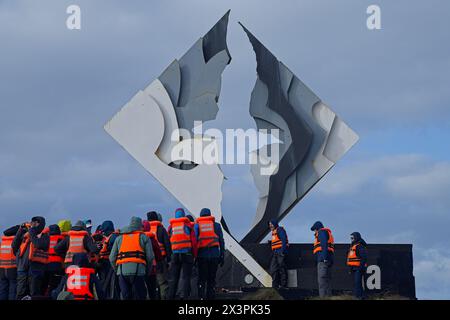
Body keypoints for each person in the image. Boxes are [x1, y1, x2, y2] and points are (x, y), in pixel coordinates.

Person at [109, 216, 154, 300]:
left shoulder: (119, 238)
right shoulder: (144, 238)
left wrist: (117, 270)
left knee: (126, 296)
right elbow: (150, 257)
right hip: (139, 272)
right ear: (140, 226)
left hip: (122, 273)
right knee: (140, 296)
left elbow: (111, 258)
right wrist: (147, 271)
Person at [11, 216, 49, 299]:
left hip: (36, 269)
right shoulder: (25, 235)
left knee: (34, 294)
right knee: (20, 294)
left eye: (36, 222)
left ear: (41, 224)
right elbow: (14, 245)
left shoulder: (44, 236)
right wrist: (20, 230)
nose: (33, 224)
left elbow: (39, 244)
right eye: (33, 222)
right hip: (22, 268)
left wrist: (32, 231)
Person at [194, 208, 225, 300]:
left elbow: (195, 241)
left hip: (202, 256)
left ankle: (201, 297)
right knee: (211, 279)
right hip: (214, 255)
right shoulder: (216, 226)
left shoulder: (197, 226)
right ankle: (210, 297)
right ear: (210, 215)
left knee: (202, 279)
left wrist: (194, 257)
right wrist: (222, 255)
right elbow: (221, 241)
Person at [167, 208, 197, 300]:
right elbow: (193, 242)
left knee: (174, 278)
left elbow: (168, 242)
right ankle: (184, 297)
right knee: (186, 277)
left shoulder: (171, 227)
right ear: (183, 215)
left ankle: (170, 296)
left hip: (175, 254)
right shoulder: (188, 225)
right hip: (187, 254)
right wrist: (194, 255)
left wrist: (170, 255)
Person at [147, 211, 172, 299]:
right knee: (162, 282)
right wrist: (169, 259)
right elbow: (167, 244)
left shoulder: (145, 230)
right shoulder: (161, 229)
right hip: (161, 259)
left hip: (148, 261)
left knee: (151, 283)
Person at [311, 221, 335, 298]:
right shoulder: (327, 233)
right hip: (329, 259)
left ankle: (323, 297)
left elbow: (324, 245)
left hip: (323, 260)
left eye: (314, 229)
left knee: (322, 280)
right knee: (327, 280)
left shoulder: (321, 232)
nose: (314, 231)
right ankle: (328, 297)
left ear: (317, 228)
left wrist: (324, 258)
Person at [97, 220, 119, 299]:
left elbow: (114, 250)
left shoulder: (113, 237)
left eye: (104, 231)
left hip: (109, 265)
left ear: (108, 230)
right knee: (108, 285)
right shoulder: (112, 237)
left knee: (110, 284)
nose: (103, 233)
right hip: (106, 263)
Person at [43, 224, 65, 296]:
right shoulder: (61, 238)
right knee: (55, 285)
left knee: (46, 285)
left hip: (46, 264)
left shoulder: (46, 238)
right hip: (57, 264)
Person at [0, 225, 19, 300]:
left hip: (1, 269)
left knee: (3, 290)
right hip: (12, 269)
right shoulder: (15, 242)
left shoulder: (2, 242)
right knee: (12, 290)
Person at [347, 232, 368, 299]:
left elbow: (364, 258)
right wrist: (350, 269)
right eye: (351, 238)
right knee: (357, 283)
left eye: (352, 238)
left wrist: (359, 268)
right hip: (354, 268)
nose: (351, 239)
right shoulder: (353, 246)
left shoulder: (360, 246)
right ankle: (361, 296)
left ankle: (357, 296)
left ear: (356, 237)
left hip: (358, 268)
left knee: (357, 283)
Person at [269, 219, 288, 289]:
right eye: (269, 224)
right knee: (273, 269)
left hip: (280, 251)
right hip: (275, 252)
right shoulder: (274, 232)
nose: (270, 226)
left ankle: (283, 285)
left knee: (282, 268)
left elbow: (284, 240)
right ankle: (275, 286)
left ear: (275, 224)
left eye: (271, 224)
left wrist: (282, 251)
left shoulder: (279, 230)